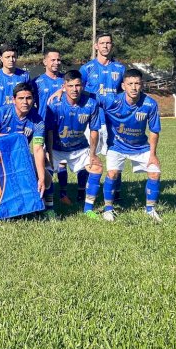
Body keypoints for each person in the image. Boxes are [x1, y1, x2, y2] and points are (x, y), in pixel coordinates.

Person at [96, 69, 162, 223]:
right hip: (116, 145)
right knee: (112, 174)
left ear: (142, 85)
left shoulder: (150, 104)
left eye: (137, 83)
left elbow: (154, 131)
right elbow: (88, 96)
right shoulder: (112, 100)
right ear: (123, 86)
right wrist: (62, 89)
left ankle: (150, 209)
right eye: (130, 84)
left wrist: (153, 155)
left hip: (140, 147)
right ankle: (108, 209)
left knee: (155, 172)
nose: (134, 87)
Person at [44, 70, 104, 219]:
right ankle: (49, 208)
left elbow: (94, 131)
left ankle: (88, 208)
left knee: (96, 167)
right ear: (64, 86)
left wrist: (93, 153)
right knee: (46, 171)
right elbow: (49, 131)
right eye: (70, 86)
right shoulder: (54, 104)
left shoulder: (91, 103)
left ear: (83, 86)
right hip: (57, 148)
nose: (74, 89)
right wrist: (49, 153)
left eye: (78, 85)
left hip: (79, 147)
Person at [0, 83, 53, 218]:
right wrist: (14, 137)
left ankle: (47, 208)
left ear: (33, 100)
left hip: (19, 156)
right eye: (21, 98)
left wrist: (40, 177)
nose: (25, 102)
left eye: (28, 98)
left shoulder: (38, 121)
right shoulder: (0, 112)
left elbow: (38, 148)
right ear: (13, 99)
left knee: (46, 178)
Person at [80, 33, 126, 201]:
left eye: (108, 43)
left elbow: (124, 94)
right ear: (96, 46)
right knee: (90, 156)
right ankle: (85, 192)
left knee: (116, 155)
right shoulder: (86, 69)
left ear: (111, 46)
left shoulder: (120, 69)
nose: (106, 46)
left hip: (114, 120)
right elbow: (77, 90)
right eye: (102, 43)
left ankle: (116, 192)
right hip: (93, 120)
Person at [34, 49, 72, 204]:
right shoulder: (36, 81)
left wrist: (63, 88)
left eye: (58, 60)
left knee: (62, 160)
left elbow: (78, 88)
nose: (56, 63)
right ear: (45, 62)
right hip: (42, 124)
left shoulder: (65, 80)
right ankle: (46, 190)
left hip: (62, 125)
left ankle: (63, 194)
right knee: (44, 157)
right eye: (53, 60)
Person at [0, 44, 33, 113]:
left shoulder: (24, 76)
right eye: (7, 57)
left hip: (20, 118)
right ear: (1, 58)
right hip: (0, 119)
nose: (11, 60)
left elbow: (30, 98)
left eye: (13, 57)